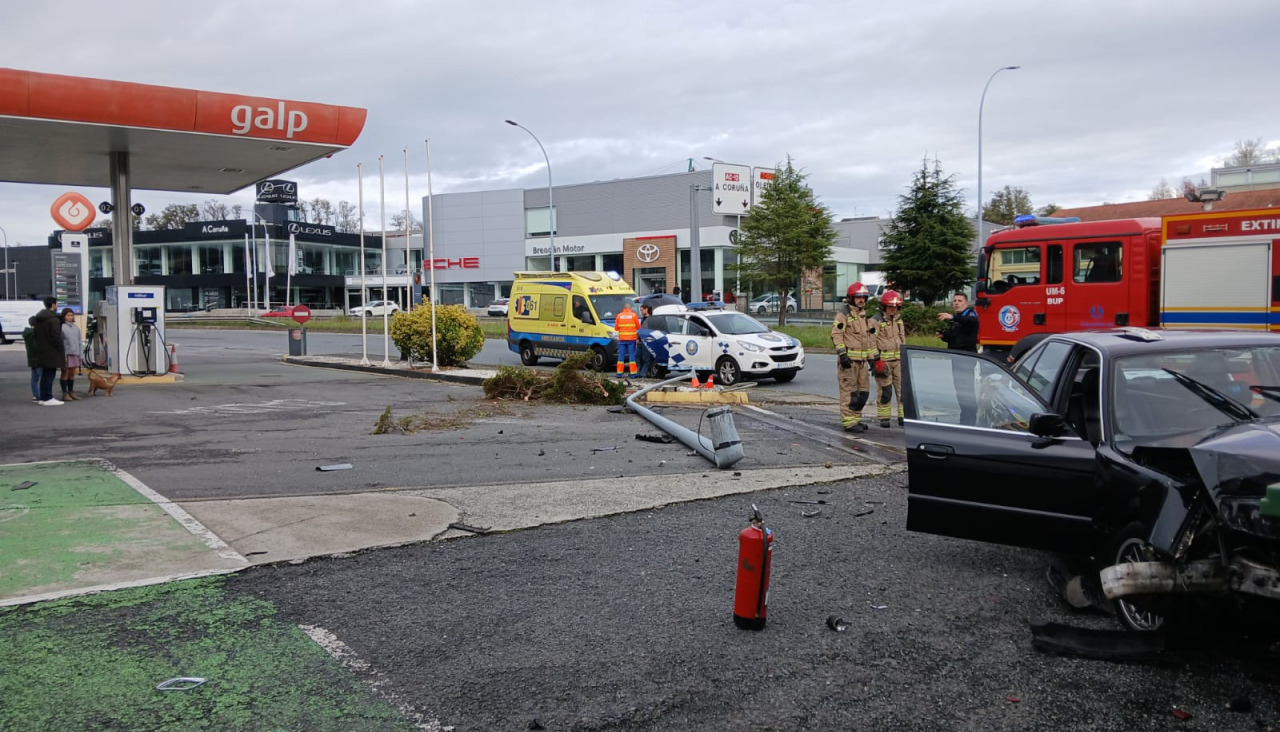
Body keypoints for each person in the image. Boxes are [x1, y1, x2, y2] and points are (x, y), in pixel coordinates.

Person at [831, 282, 876, 432]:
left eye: (863, 297)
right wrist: (842, 355)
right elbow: (836, 335)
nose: (861, 300)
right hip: (849, 362)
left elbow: (867, 340)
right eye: (858, 297)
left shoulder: (863, 316)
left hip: (862, 362)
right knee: (849, 394)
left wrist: (872, 360)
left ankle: (856, 419)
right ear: (851, 298)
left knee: (863, 393)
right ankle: (849, 423)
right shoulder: (843, 315)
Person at [937, 292, 980, 424]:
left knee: (967, 390)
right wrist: (944, 336)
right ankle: (965, 419)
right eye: (954, 300)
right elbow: (954, 338)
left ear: (966, 303)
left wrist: (952, 317)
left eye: (960, 300)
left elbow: (972, 322)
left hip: (966, 358)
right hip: (956, 357)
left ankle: (970, 419)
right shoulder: (957, 319)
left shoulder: (970, 314)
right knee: (959, 390)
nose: (956, 303)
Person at [871, 290, 907, 428]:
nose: (893, 309)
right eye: (891, 306)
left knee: (902, 390)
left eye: (896, 306)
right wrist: (876, 360)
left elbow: (903, 339)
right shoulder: (875, 321)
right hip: (883, 362)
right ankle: (884, 417)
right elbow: (871, 342)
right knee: (885, 391)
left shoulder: (898, 320)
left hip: (898, 361)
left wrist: (905, 357)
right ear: (884, 307)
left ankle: (903, 417)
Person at [31, 296, 65, 406]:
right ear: (53, 305)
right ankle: (48, 398)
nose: (57, 306)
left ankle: (43, 398)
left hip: (42, 350)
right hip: (52, 351)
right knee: (50, 375)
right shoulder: (53, 320)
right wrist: (61, 350)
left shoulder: (39, 319)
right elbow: (56, 337)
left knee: (45, 375)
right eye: (57, 304)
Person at [614, 301, 640, 379]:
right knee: (632, 357)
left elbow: (616, 328)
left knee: (621, 357)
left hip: (622, 339)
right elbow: (638, 327)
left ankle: (619, 373)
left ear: (624, 309)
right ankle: (633, 374)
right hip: (631, 339)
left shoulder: (619, 316)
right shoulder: (633, 315)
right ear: (630, 308)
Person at [60, 308, 82, 401]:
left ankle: (71, 392)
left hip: (75, 353)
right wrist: (63, 355)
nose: (70, 317)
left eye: (71, 315)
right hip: (66, 354)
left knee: (72, 374)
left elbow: (79, 341)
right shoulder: (61, 327)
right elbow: (61, 342)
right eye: (68, 315)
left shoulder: (76, 327)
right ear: (64, 316)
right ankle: (64, 394)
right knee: (65, 373)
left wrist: (80, 355)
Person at [635, 303, 655, 378]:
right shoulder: (643, 319)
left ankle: (642, 374)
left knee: (646, 359)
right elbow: (641, 330)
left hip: (646, 341)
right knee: (638, 357)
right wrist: (637, 338)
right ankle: (638, 372)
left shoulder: (650, 319)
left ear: (646, 309)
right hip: (641, 341)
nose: (641, 312)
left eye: (642, 310)